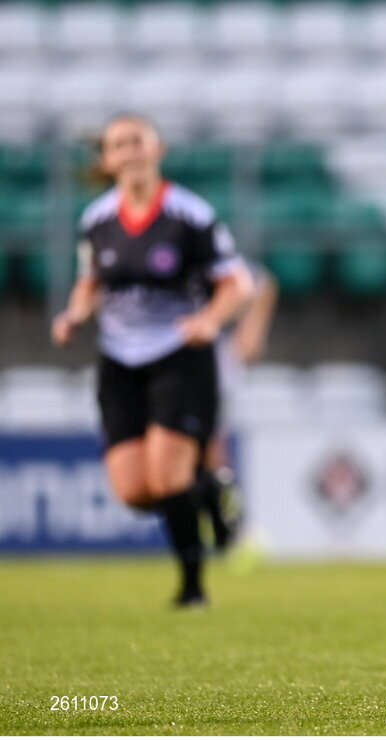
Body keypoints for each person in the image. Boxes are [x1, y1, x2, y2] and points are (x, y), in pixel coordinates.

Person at [52, 113, 252, 607]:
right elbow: (90, 280)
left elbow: (237, 282)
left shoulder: (190, 214)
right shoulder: (96, 219)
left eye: (137, 141)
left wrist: (209, 319)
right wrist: (75, 314)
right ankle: (211, 491)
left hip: (179, 354)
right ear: (108, 158)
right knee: (135, 492)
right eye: (119, 144)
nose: (129, 151)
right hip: (119, 360)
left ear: (157, 148)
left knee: (167, 477)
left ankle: (192, 589)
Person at [199, 260, 278, 552]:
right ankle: (225, 522)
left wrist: (252, 324)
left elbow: (262, 282)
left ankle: (228, 524)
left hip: (209, 369)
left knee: (211, 447)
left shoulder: (219, 352)